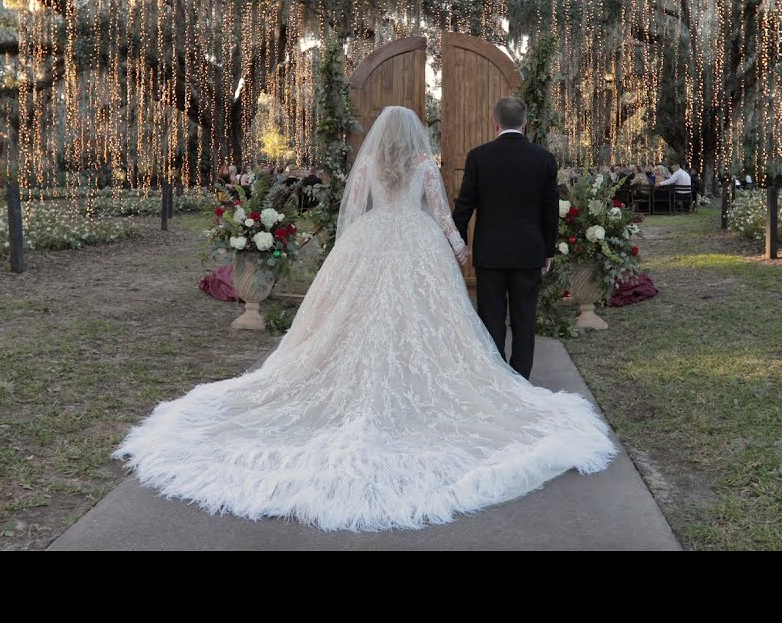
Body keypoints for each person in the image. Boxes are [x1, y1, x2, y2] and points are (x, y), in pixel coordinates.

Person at [114, 106, 616, 532]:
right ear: (415, 136)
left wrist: (350, 251)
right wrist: (458, 248)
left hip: (371, 240)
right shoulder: (423, 163)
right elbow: (442, 214)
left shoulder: (372, 160)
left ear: (382, 136)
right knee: (427, 320)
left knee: (358, 317)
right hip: (417, 243)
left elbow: (353, 210)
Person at [452, 96, 559, 380]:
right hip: (529, 250)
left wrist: (457, 240)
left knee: (492, 319)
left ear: (495, 123)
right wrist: (548, 250)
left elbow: (465, 205)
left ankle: (496, 378)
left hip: (491, 251)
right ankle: (521, 378)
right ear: (525, 124)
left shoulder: (479, 156)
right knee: (524, 318)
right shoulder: (544, 159)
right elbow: (550, 211)